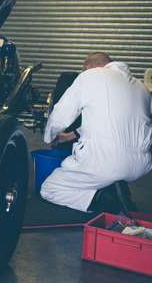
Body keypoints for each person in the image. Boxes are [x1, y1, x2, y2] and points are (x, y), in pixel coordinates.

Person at [41, 52, 152, 212]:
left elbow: (61, 114)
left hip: (105, 163)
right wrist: (70, 135)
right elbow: (112, 121)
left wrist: (49, 137)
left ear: (89, 66)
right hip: (142, 165)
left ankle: (105, 199)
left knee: (50, 188)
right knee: (106, 172)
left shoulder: (90, 76)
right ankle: (113, 185)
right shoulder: (140, 86)